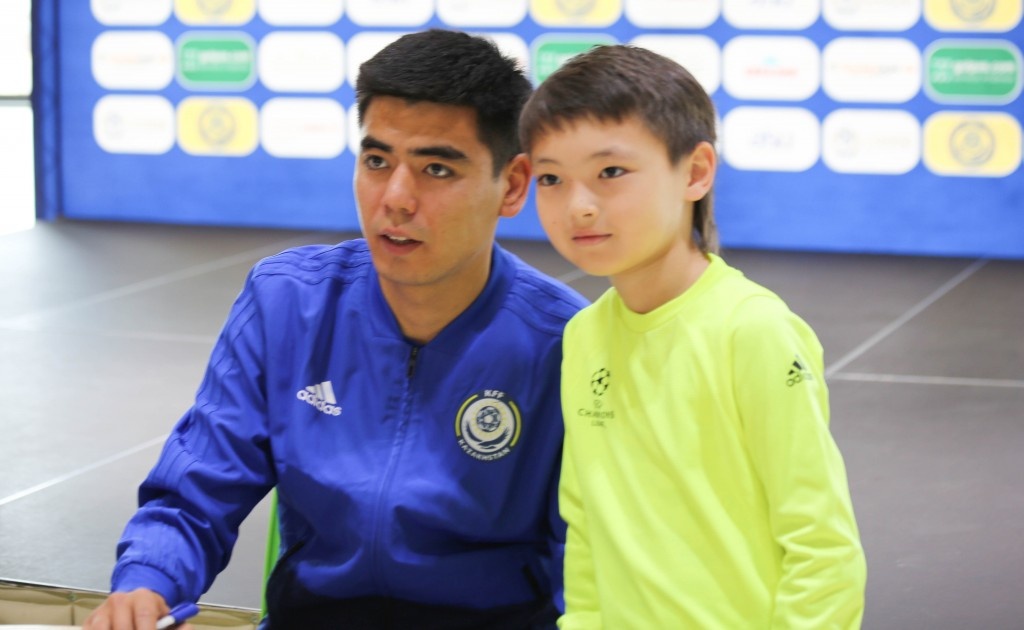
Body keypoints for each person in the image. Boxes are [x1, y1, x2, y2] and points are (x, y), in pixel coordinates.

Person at [84, 29, 587, 630]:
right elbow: (194, 495)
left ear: (513, 184)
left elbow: (585, 569)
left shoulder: (567, 343)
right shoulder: (287, 304)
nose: (395, 199)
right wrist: (146, 586)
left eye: (435, 168)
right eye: (377, 161)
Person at [518, 45, 867, 628]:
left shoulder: (752, 330)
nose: (578, 206)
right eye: (551, 178)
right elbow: (587, 526)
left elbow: (821, 546)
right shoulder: (583, 335)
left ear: (696, 172)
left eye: (610, 172)